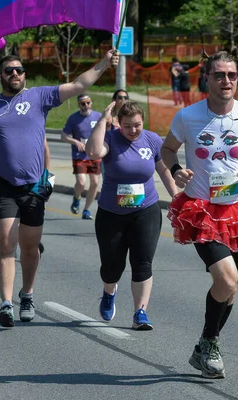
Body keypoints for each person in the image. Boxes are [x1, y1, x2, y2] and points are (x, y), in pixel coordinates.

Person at [0, 49, 120, 328]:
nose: (15, 74)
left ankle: (27, 294)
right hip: (2, 184)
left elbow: (79, 85)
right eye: (9, 70)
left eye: (19, 70)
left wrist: (103, 63)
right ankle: (5, 304)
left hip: (34, 186)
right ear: (0, 75)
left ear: (24, 74)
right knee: (6, 244)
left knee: (29, 248)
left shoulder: (40, 96)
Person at [160, 49, 238, 379]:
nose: (226, 81)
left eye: (232, 75)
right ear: (206, 79)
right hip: (201, 209)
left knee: (231, 287)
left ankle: (205, 345)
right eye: (219, 75)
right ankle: (209, 342)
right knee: (226, 279)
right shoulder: (188, 116)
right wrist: (177, 169)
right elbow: (167, 150)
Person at [86, 100, 178, 330]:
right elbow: (94, 152)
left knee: (143, 263)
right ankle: (109, 292)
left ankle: (140, 312)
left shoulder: (152, 140)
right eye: (127, 126)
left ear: (143, 122)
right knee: (111, 267)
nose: (133, 130)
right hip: (111, 213)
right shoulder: (110, 138)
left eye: (137, 125)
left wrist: (177, 197)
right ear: (119, 123)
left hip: (145, 209)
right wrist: (102, 119)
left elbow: (164, 171)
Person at [61, 94, 102, 220]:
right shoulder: (73, 118)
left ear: (91, 103)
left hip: (94, 155)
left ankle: (86, 210)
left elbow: (105, 132)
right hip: (79, 155)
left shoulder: (98, 116)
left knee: (95, 183)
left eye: (88, 103)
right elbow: (63, 136)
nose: (86, 106)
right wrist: (76, 142)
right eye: (82, 104)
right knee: (81, 182)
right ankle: (77, 197)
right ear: (78, 105)